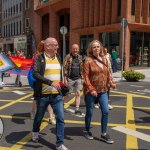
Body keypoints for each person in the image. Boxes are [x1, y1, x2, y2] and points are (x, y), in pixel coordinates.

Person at [32, 37, 69, 150]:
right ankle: (35, 132)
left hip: (56, 94)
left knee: (61, 118)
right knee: (39, 116)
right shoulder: (39, 58)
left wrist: (63, 84)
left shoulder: (58, 57)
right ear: (48, 46)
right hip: (43, 94)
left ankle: (59, 144)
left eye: (57, 45)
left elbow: (60, 73)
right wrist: (50, 82)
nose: (57, 47)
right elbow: (36, 74)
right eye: (55, 45)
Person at [83, 40, 116, 144]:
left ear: (101, 48)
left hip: (103, 90)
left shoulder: (105, 59)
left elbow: (107, 73)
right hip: (91, 91)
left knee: (105, 111)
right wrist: (91, 89)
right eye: (94, 47)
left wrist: (111, 82)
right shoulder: (88, 60)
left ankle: (104, 133)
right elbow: (85, 77)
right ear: (91, 49)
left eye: (98, 47)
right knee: (90, 111)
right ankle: (87, 130)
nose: (96, 48)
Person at [30, 40, 56, 125]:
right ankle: (33, 112)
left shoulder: (51, 55)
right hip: (38, 80)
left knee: (49, 97)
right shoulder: (37, 56)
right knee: (36, 97)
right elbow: (35, 70)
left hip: (48, 80)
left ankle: (51, 117)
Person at [64, 44, 83, 115]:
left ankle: (77, 109)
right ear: (71, 49)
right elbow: (65, 68)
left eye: (77, 49)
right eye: (74, 49)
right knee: (68, 94)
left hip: (78, 78)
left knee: (78, 94)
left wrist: (82, 78)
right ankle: (61, 104)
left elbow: (82, 68)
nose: (75, 50)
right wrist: (65, 79)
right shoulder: (68, 57)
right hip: (70, 78)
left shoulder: (80, 57)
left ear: (78, 49)